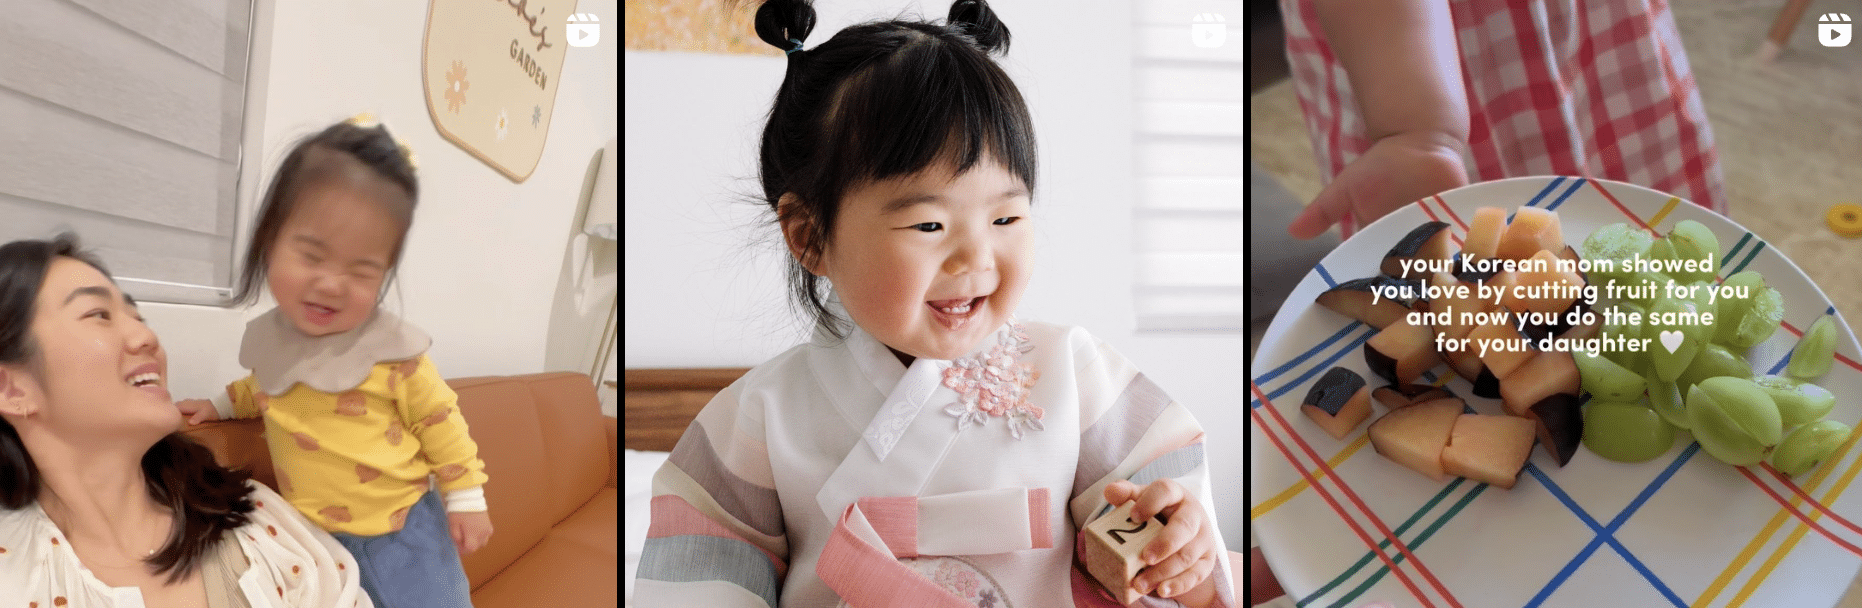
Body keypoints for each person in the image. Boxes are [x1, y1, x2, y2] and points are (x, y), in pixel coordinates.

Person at [633, 1, 1241, 606]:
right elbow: (698, 575)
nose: (976, 258)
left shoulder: (1074, 374)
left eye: (1005, 216)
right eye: (929, 225)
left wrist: (1178, 544)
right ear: (809, 236)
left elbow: (1165, 515)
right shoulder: (756, 419)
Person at [174, 116, 490, 608]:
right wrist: (217, 405)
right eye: (312, 255)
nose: (331, 284)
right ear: (269, 242)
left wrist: (466, 497)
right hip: (318, 540)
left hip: (406, 531)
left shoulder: (393, 354)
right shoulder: (271, 344)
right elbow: (261, 387)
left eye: (361, 270)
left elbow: (440, 421)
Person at [0, 233, 372, 607]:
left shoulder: (256, 524)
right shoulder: (14, 581)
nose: (146, 336)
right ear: (11, 390)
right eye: (98, 315)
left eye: (137, 316)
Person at [1279, 0, 1727, 241]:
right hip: (1409, 66)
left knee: (1643, 206)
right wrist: (1418, 132)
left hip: (1587, 31)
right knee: (1475, 248)